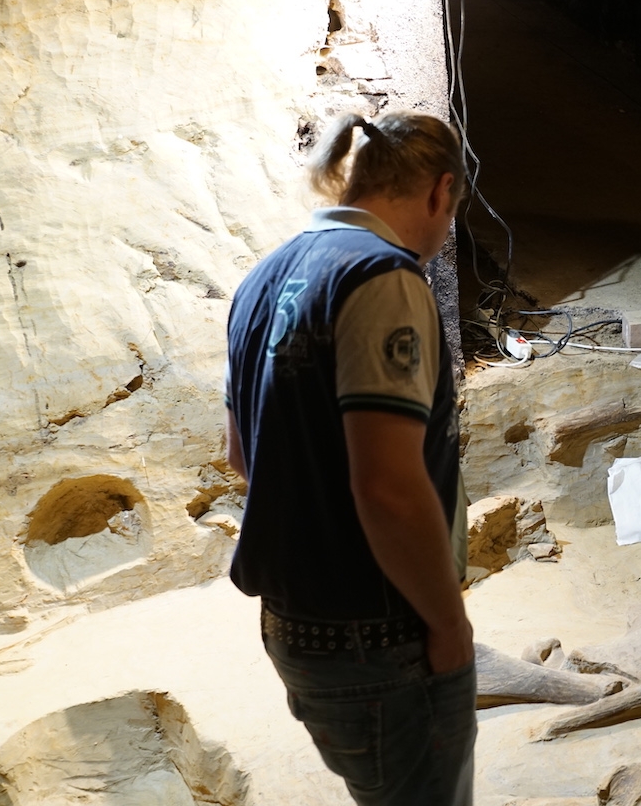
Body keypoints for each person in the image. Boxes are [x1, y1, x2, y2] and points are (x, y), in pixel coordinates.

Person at [225, 111, 477, 804]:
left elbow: (243, 457)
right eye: (451, 214)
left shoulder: (264, 277)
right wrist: (449, 624)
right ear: (439, 191)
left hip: (296, 625)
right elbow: (388, 487)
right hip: (378, 633)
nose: (444, 234)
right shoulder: (384, 280)